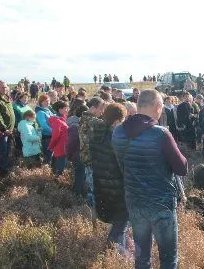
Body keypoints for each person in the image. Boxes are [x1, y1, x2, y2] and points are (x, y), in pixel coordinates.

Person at [112, 89, 188, 269]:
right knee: (168, 259)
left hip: (135, 201)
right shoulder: (161, 134)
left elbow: (122, 165)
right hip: (161, 204)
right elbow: (181, 168)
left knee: (142, 257)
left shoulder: (117, 133)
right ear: (157, 107)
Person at [90, 103, 129, 253]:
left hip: (102, 185)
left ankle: (121, 253)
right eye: (123, 119)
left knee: (118, 223)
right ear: (116, 121)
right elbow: (121, 165)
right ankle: (110, 253)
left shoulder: (97, 135)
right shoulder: (115, 139)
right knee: (121, 223)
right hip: (117, 187)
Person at [79, 97, 106, 206]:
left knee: (90, 185)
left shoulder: (83, 117)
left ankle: (89, 208)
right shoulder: (94, 121)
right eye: (101, 109)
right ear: (93, 108)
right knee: (95, 187)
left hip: (85, 156)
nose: (102, 111)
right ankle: (95, 212)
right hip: (92, 158)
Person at [66, 104, 88, 196]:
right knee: (80, 176)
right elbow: (70, 144)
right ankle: (77, 196)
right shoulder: (75, 127)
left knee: (80, 176)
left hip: (78, 155)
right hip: (78, 156)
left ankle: (78, 194)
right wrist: (69, 156)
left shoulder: (75, 124)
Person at [0, 81, 15, 176]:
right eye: (2, 87)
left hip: (9, 130)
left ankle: (5, 169)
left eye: (6, 87)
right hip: (2, 132)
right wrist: (4, 129)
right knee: (2, 151)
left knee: (7, 150)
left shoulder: (7, 98)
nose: (5, 89)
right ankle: (1, 172)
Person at [48, 101, 69, 177]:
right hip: (61, 149)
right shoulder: (57, 121)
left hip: (64, 148)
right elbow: (55, 136)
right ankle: (58, 186)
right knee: (60, 170)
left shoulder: (62, 119)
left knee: (62, 169)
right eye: (65, 108)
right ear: (60, 109)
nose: (67, 110)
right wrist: (51, 146)